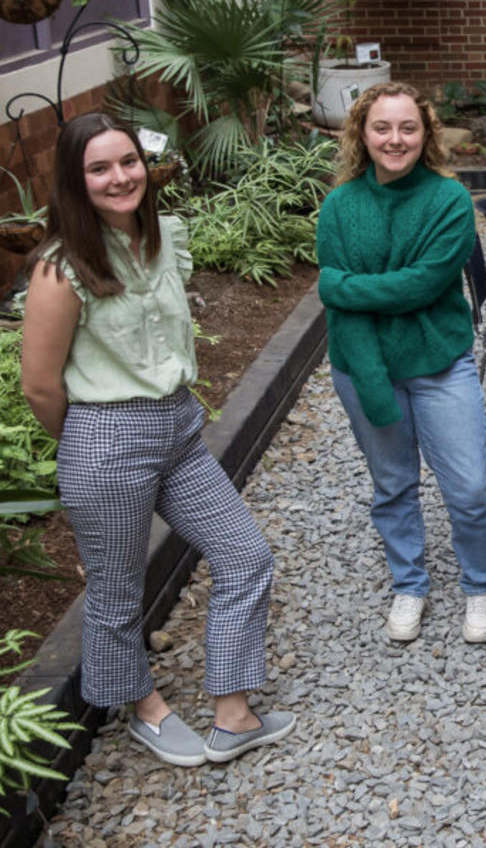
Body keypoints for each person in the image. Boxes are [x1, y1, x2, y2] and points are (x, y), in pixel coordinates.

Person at [21, 112, 292, 767]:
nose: (120, 178)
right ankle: (144, 707)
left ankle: (233, 715)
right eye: (99, 168)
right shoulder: (62, 270)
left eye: (128, 162)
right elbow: (39, 385)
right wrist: (88, 446)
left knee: (245, 555)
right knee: (116, 592)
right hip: (106, 436)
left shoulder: (164, 238)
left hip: (178, 427)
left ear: (145, 165)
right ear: (74, 182)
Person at [316, 82, 486, 646]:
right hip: (363, 367)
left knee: (468, 487)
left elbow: (425, 284)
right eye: (382, 128)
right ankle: (409, 584)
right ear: (362, 135)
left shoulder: (449, 201)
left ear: (426, 135)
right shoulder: (340, 206)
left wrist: (343, 286)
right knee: (393, 485)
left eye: (407, 128)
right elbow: (345, 311)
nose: (394, 139)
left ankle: (479, 583)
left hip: (439, 363)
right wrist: (373, 384)